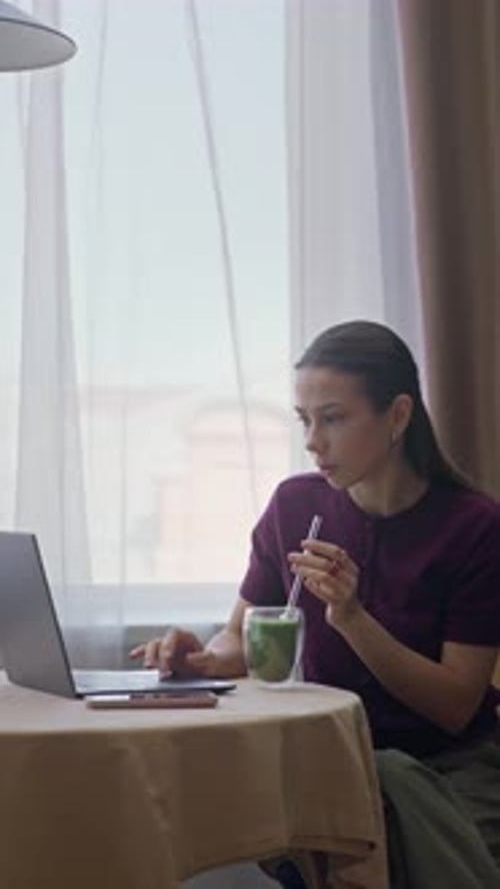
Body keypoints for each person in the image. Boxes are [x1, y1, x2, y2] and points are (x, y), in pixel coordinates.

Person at [131, 320, 500, 888]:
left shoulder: (474, 527)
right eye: (305, 420)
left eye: (332, 418)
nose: (312, 442)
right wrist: (200, 659)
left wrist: (353, 620)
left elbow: (453, 705)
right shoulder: (294, 506)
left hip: (449, 767)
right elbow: (241, 638)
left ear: (398, 416)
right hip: (332, 758)